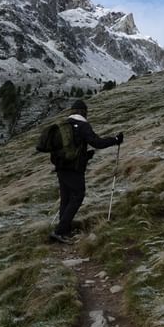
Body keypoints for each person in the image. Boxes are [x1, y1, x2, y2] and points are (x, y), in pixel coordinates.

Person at [44, 99, 123, 244]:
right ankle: (59, 231)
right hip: (74, 169)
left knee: (66, 199)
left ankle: (64, 229)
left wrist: (86, 156)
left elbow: (71, 148)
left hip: (61, 167)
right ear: (84, 112)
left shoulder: (64, 125)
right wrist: (115, 140)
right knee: (78, 195)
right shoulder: (83, 126)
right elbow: (97, 142)